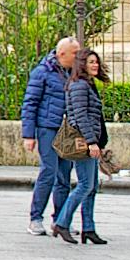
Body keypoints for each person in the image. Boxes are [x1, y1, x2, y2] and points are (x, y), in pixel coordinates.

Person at [19, 36, 80, 234]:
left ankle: (60, 220)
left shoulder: (75, 73)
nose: (78, 57)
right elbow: (30, 103)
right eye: (75, 53)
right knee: (49, 171)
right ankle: (35, 218)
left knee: (64, 175)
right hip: (47, 127)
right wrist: (28, 135)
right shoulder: (42, 72)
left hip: (67, 130)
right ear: (62, 54)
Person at [52, 43, 111, 245]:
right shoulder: (79, 85)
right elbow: (80, 116)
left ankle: (89, 228)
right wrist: (92, 142)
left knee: (92, 186)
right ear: (82, 64)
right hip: (84, 142)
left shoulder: (87, 84)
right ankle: (62, 222)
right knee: (85, 185)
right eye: (91, 62)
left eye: (96, 62)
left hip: (90, 141)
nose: (95, 65)